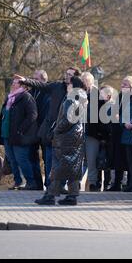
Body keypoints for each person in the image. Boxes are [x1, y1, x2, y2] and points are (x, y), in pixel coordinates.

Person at [16, 67, 81, 194]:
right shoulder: (57, 86)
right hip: (51, 131)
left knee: (65, 163)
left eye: (70, 75)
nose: (67, 76)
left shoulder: (78, 93)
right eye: (66, 73)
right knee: (50, 160)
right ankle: (51, 188)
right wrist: (26, 81)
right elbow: (41, 85)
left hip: (68, 133)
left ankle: (63, 190)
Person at [35, 76, 88, 206]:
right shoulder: (82, 97)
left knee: (58, 167)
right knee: (72, 168)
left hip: (66, 137)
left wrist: (55, 130)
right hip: (75, 137)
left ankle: (50, 196)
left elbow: (68, 119)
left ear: (73, 85)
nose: (66, 85)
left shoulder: (72, 98)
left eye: (68, 83)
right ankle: (72, 196)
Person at [0, 78, 38, 190]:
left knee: (22, 159)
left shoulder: (26, 97)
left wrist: (21, 130)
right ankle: (18, 181)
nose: (12, 84)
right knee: (12, 160)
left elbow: (32, 115)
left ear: (23, 86)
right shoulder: (10, 97)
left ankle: (30, 182)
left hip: (19, 136)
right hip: (7, 135)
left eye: (15, 83)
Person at [28, 70, 50, 191]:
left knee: (47, 159)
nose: (33, 81)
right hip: (32, 132)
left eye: (35, 79)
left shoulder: (49, 93)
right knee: (33, 158)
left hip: (45, 131)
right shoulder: (31, 92)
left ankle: (48, 183)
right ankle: (37, 184)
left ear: (42, 80)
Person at [81, 71, 103, 191]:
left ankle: (93, 183)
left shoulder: (97, 94)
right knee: (79, 160)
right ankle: (76, 182)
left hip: (92, 133)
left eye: (85, 81)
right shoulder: (79, 93)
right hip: (79, 132)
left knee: (91, 160)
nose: (83, 83)